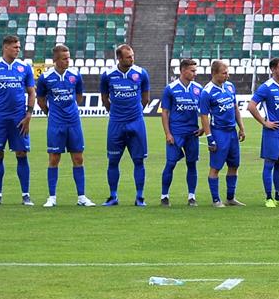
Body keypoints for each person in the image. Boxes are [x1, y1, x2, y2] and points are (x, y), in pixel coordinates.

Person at [35, 44, 93, 206]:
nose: (68, 61)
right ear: (55, 59)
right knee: (54, 158)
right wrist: (51, 113)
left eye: (69, 58)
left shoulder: (75, 75)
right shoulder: (45, 78)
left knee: (78, 158)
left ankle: (81, 197)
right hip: (56, 123)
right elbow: (41, 101)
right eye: (64, 58)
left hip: (74, 122)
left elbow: (79, 97)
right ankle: (52, 197)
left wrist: (70, 110)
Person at [0, 34, 34, 206]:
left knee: (22, 153)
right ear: (5, 47)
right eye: (15, 47)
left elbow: (31, 92)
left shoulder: (24, 67)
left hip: (19, 118)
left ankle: (26, 195)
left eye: (19, 47)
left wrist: (29, 115)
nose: (18, 50)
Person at [99, 44, 151, 207]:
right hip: (116, 123)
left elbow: (145, 98)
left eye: (132, 56)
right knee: (113, 161)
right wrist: (115, 113)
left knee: (139, 161)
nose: (132, 59)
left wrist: (136, 113)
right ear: (119, 58)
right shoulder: (107, 75)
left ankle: (140, 197)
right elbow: (105, 98)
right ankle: (113, 196)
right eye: (128, 57)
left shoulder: (141, 73)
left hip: (136, 122)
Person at [247, 57, 279, 207]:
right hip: (272, 133)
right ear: (273, 69)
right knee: (269, 165)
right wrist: (264, 122)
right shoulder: (266, 87)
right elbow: (251, 106)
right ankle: (268, 198)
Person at [198, 60, 245, 207]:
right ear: (214, 73)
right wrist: (209, 137)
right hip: (219, 132)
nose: (227, 76)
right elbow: (204, 116)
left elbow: (235, 107)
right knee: (216, 167)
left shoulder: (230, 86)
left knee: (234, 165)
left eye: (227, 72)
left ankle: (230, 198)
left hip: (232, 132)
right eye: (224, 73)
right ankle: (216, 200)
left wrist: (241, 127)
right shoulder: (207, 92)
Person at [160, 59, 206, 207]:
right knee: (170, 163)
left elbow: (205, 111)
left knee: (192, 164)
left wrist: (203, 128)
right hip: (176, 133)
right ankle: (164, 196)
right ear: (183, 70)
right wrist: (168, 133)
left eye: (195, 70)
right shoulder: (170, 89)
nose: (195, 73)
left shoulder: (198, 89)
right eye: (192, 71)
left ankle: (192, 196)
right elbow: (165, 112)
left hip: (192, 133)